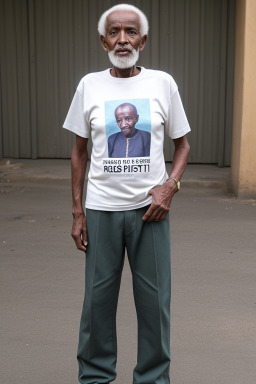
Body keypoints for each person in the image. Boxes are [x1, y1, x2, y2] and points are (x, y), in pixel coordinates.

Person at [63, 3, 190, 384]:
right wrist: (77, 213)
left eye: (131, 32)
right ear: (103, 40)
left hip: (151, 212)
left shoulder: (162, 83)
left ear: (143, 40)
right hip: (101, 209)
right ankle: (96, 376)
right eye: (114, 32)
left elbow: (182, 145)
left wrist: (169, 187)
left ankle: (152, 378)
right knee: (97, 302)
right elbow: (79, 152)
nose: (123, 39)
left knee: (154, 303)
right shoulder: (89, 85)